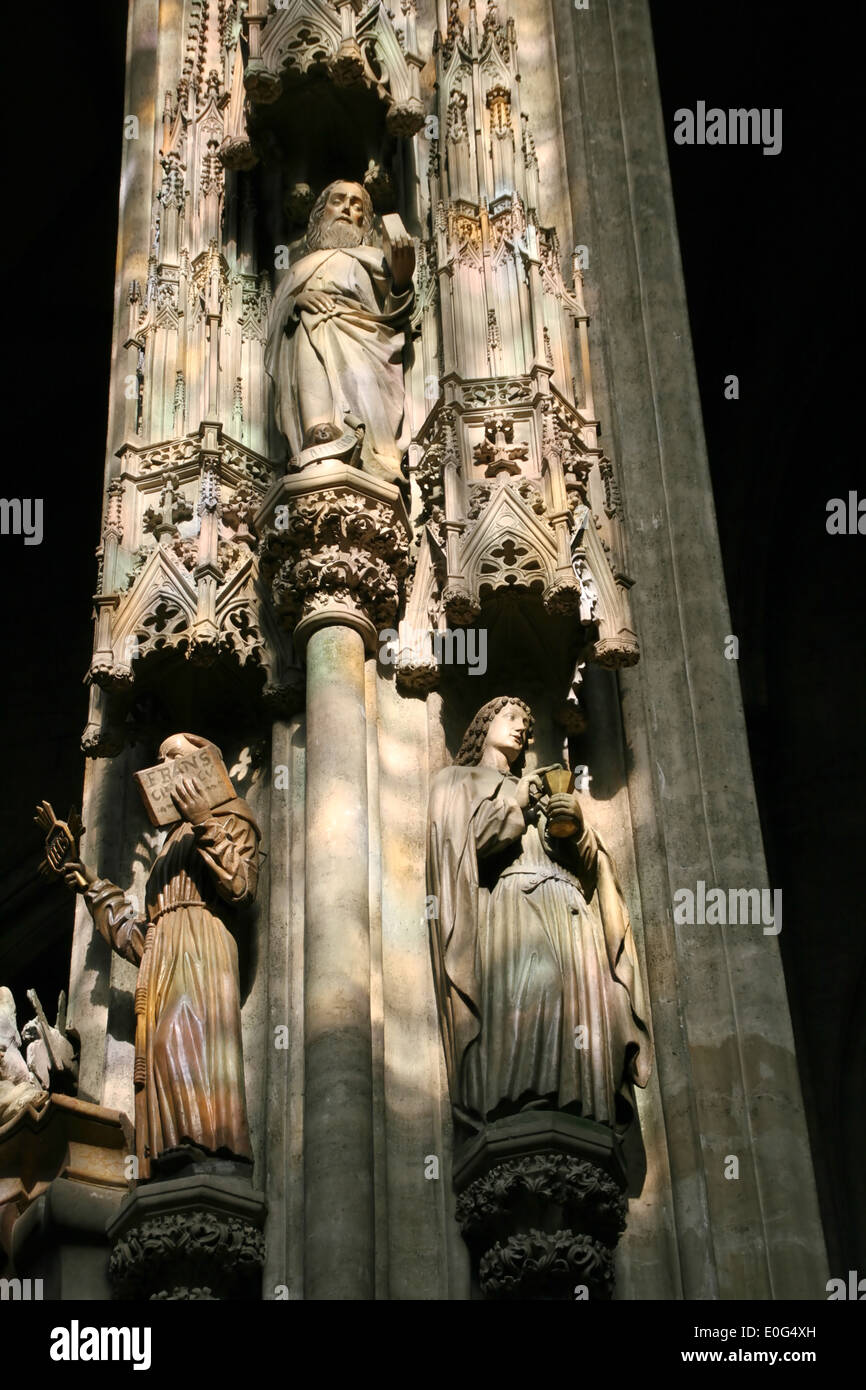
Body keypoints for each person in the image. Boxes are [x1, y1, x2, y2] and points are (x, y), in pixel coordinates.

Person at [426, 697, 652, 1138]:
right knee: (533, 993)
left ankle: (584, 1103)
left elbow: (592, 869)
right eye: (509, 718)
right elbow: (459, 851)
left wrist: (578, 828)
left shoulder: (544, 787)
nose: (520, 729)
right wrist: (517, 805)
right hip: (514, 909)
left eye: (526, 725)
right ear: (483, 723)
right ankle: (521, 1099)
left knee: (580, 1005)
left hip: (569, 912)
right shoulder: (457, 780)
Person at [63, 734, 260, 1180]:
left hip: (202, 946)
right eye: (158, 761)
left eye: (174, 759)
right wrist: (89, 885)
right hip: (163, 952)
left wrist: (205, 821)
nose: (164, 767)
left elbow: (241, 887)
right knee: (159, 1048)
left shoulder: (234, 816)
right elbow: (140, 936)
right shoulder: (167, 849)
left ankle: (208, 1144)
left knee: (184, 1034)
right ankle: (172, 1150)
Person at [265, 179, 415, 485]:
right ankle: (319, 434)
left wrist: (401, 276)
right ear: (322, 213)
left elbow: (394, 312)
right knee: (309, 328)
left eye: (356, 205)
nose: (347, 208)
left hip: (362, 339)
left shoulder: (374, 259)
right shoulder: (298, 266)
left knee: (359, 383)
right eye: (338, 200)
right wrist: (297, 302)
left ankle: (369, 447)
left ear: (365, 220)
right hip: (309, 332)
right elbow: (274, 326)